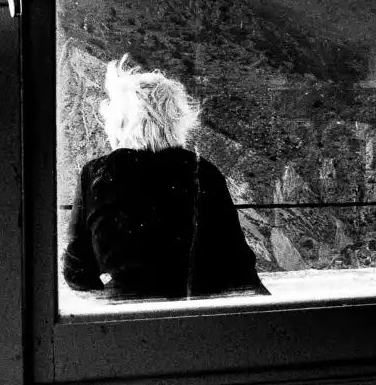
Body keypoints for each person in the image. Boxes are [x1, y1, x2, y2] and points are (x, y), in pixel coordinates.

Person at [62, 55, 268, 300]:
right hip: (201, 315)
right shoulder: (203, 171)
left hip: (125, 319)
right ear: (176, 121)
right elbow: (237, 263)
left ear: (119, 122)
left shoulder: (97, 174)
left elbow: (77, 271)